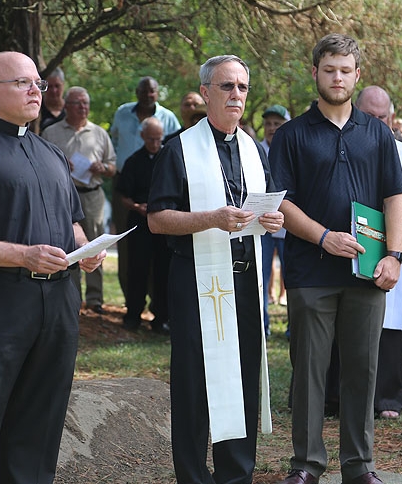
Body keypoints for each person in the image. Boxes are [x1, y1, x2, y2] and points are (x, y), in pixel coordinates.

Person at [0, 51, 105, 484]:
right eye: (22, 83)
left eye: (38, 84)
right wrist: (22, 255)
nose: (35, 90)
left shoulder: (51, 154)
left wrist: (87, 250)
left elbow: (72, 223)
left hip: (61, 302)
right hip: (3, 300)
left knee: (44, 413)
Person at [272, 34, 402, 484]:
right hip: (311, 271)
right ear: (315, 73)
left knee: (362, 371)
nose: (337, 77)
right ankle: (307, 464)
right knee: (308, 371)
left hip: (367, 273)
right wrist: (324, 237)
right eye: (329, 69)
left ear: (357, 75)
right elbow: (282, 204)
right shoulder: (292, 134)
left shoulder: (378, 133)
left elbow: (394, 198)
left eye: (345, 70)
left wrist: (394, 255)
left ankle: (359, 465)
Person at [146, 54, 279, 484]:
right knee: (193, 381)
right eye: (227, 86)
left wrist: (271, 219)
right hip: (194, 280)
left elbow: (257, 208)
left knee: (243, 377)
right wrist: (211, 218)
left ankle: (236, 475)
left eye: (242, 87)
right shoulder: (178, 149)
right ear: (205, 93)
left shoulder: (256, 150)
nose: (236, 94)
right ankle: (192, 474)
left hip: (245, 277)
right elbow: (157, 219)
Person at [355, 85, 402, 419]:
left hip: (389, 248)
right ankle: (336, 398)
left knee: (390, 319)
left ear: (392, 119)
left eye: (382, 117)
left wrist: (396, 237)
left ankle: (386, 399)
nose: (375, 122)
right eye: (368, 116)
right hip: (350, 246)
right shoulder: (342, 146)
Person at [42, 86, 116, 314]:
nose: (83, 108)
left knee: (95, 245)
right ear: (67, 106)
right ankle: (71, 297)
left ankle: (95, 299)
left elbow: (113, 167)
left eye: (86, 103)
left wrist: (102, 167)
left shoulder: (99, 133)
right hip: (62, 197)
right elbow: (40, 165)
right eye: (78, 103)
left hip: (92, 195)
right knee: (66, 244)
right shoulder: (51, 132)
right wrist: (59, 163)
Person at [111, 76, 182, 298]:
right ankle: (132, 305)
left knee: (162, 257)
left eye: (152, 91)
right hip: (128, 184)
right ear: (137, 92)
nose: (148, 95)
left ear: (157, 93)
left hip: (162, 188)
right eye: (144, 90)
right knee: (130, 252)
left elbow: (177, 148)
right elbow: (114, 141)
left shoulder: (168, 118)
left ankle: (159, 308)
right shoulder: (122, 113)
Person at [116, 117, 170, 334]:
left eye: (158, 139)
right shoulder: (133, 161)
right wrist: (138, 207)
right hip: (139, 222)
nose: (155, 144)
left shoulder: (168, 159)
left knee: (163, 270)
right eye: (151, 139)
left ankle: (162, 317)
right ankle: (133, 315)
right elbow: (123, 196)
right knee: (137, 269)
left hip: (165, 223)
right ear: (142, 137)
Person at [259, 104, 291, 335]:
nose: (272, 128)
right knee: (261, 278)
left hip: (290, 227)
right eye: (268, 123)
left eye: (277, 124)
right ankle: (263, 325)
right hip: (262, 226)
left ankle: (294, 328)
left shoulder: (293, 149)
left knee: (293, 279)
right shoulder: (254, 150)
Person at [39, 66, 66, 132]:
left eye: (57, 86)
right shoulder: (37, 107)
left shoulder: (70, 109)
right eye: (50, 86)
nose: (54, 90)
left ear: (63, 85)